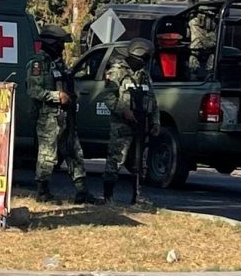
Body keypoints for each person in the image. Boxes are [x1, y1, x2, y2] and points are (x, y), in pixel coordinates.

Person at [26, 24, 100, 204]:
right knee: (47, 155)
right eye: (60, 43)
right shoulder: (38, 63)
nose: (62, 47)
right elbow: (34, 90)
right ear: (50, 43)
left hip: (66, 116)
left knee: (75, 152)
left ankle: (82, 192)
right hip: (48, 117)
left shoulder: (58, 63)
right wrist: (56, 96)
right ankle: (42, 192)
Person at [100, 38, 161, 204]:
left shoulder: (144, 75)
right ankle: (108, 197)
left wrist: (155, 122)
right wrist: (123, 110)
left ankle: (137, 196)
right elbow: (108, 97)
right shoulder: (117, 71)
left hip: (142, 125)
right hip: (122, 125)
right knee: (115, 159)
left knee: (140, 162)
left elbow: (153, 101)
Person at [187, 0, 227, 78]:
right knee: (214, 48)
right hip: (204, 22)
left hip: (196, 19)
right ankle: (210, 74)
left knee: (195, 49)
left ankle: (194, 74)